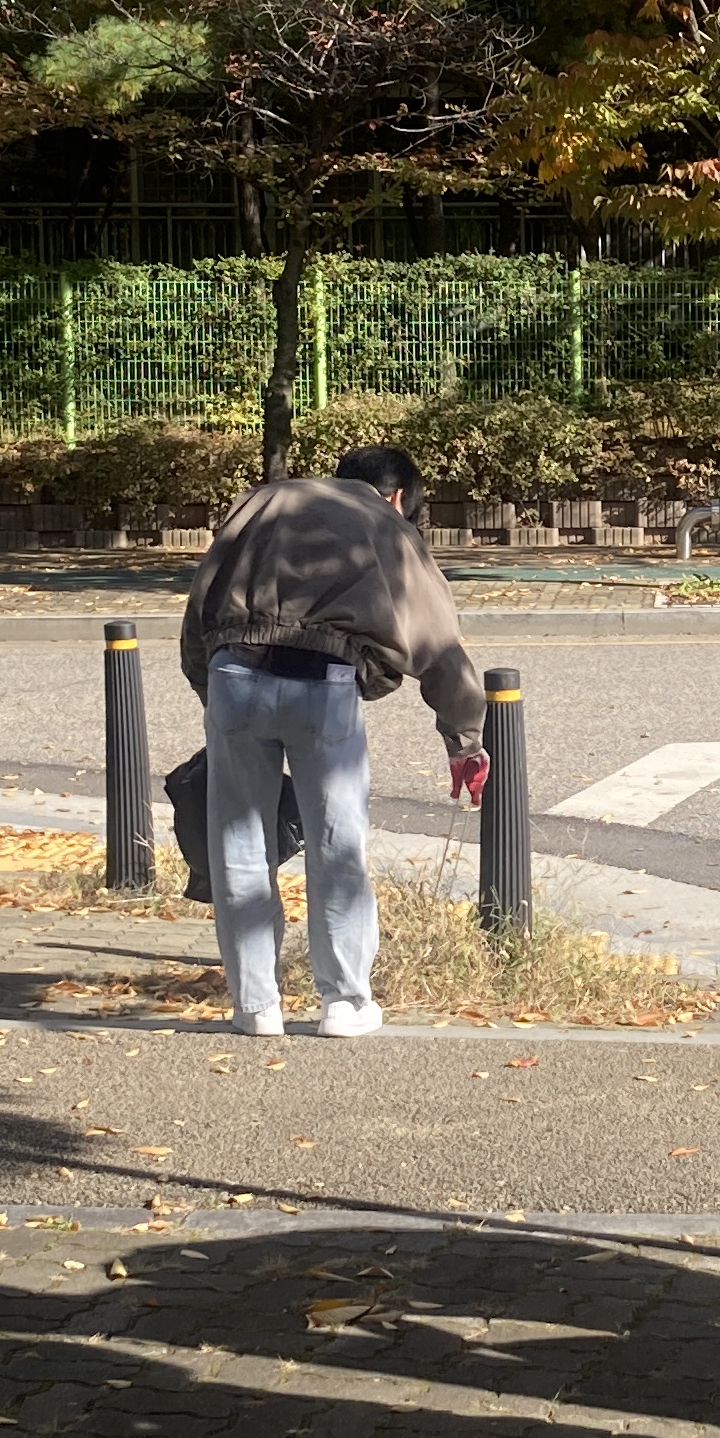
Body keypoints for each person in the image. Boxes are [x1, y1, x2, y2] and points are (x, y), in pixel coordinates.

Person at [178, 444, 489, 1040]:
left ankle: (255, 1006)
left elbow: (199, 610)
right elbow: (440, 647)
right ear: (397, 496)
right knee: (335, 843)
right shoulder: (387, 527)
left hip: (231, 675)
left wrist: (210, 696)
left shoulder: (262, 502)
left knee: (241, 844)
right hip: (324, 683)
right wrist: (464, 739)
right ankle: (344, 1002)